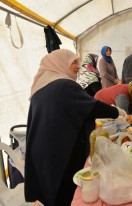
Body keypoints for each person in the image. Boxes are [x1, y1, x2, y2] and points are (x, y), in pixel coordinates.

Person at [25, 49, 124, 206]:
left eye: (78, 62)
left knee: (49, 188)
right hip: (61, 150)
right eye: (73, 62)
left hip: (43, 149)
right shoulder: (64, 85)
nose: (78, 66)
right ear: (59, 63)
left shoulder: (39, 88)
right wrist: (117, 111)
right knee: (63, 190)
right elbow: (92, 107)